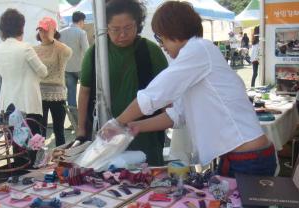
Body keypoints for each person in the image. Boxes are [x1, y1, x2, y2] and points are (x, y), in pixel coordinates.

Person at [105, 1, 276, 177]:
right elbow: (177, 115)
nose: (162, 45)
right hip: (238, 156)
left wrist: (116, 124)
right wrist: (134, 126)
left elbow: (152, 96)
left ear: (172, 32)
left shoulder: (198, 50)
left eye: (160, 38)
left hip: (248, 158)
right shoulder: (196, 57)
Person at [78, 0, 168, 165]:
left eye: (128, 28)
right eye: (115, 29)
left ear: (138, 25)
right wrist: (81, 129)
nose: (122, 35)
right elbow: (84, 91)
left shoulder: (150, 51)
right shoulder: (95, 53)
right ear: (106, 28)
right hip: (105, 134)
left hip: (145, 133)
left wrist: (168, 120)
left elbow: (166, 95)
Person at [0, 9, 48, 166]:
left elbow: (3, 73)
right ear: (21, 27)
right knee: (32, 148)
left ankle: (18, 180)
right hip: (27, 103)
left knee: (17, 149)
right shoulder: (25, 48)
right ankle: (31, 182)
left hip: (8, 106)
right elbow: (43, 72)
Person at [34, 17, 72, 147]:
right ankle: (41, 160)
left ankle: (61, 159)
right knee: (40, 131)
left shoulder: (60, 48)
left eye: (46, 30)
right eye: (40, 30)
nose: (42, 33)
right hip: (39, 94)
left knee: (59, 131)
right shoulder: (34, 49)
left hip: (57, 95)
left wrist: (52, 40)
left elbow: (69, 53)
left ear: (53, 31)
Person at [59, 11, 89, 127]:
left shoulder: (61, 33)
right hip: (81, 67)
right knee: (86, 93)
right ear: (81, 21)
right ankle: (85, 120)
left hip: (67, 68)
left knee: (70, 95)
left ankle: (74, 121)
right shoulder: (81, 33)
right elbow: (86, 52)